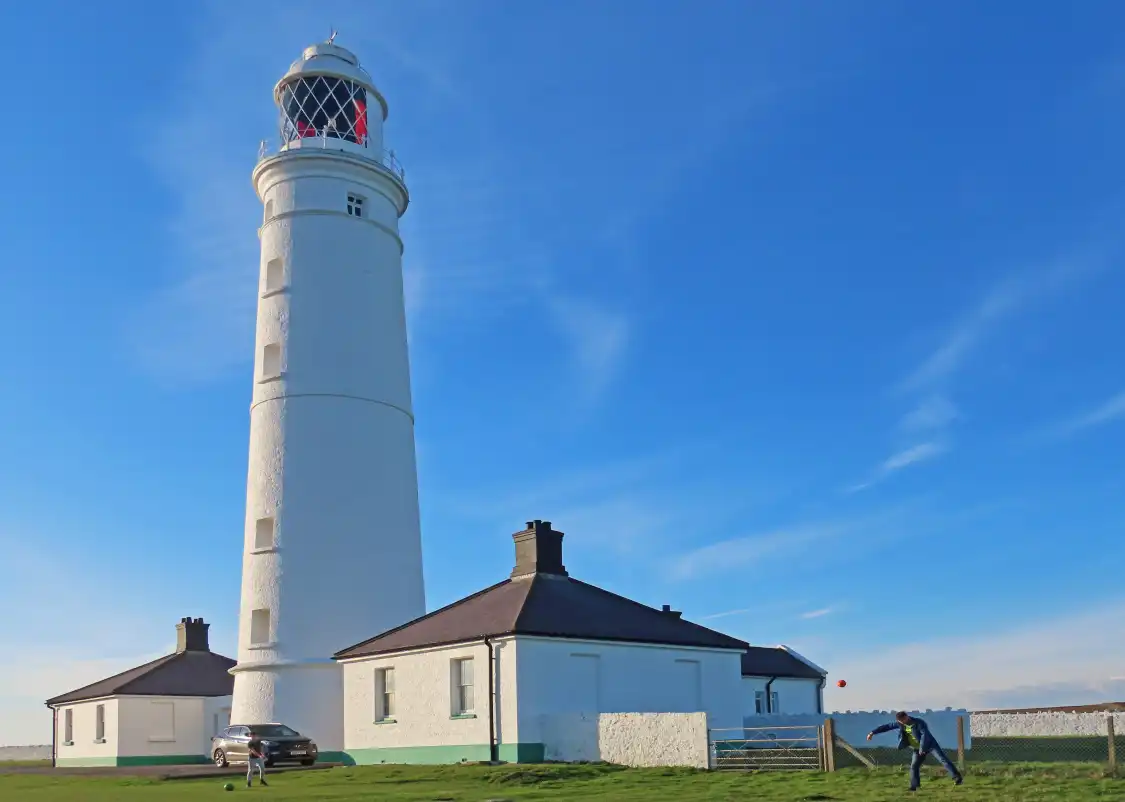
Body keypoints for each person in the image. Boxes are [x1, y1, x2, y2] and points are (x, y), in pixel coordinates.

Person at [866, 711, 962, 791]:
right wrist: (872, 733)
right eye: (900, 721)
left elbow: (925, 736)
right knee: (914, 766)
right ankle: (914, 786)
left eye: (903, 720)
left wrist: (922, 749)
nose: (902, 723)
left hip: (930, 745)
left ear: (907, 717)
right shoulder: (900, 724)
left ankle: (957, 778)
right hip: (917, 748)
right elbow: (887, 726)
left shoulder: (919, 723)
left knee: (942, 759)